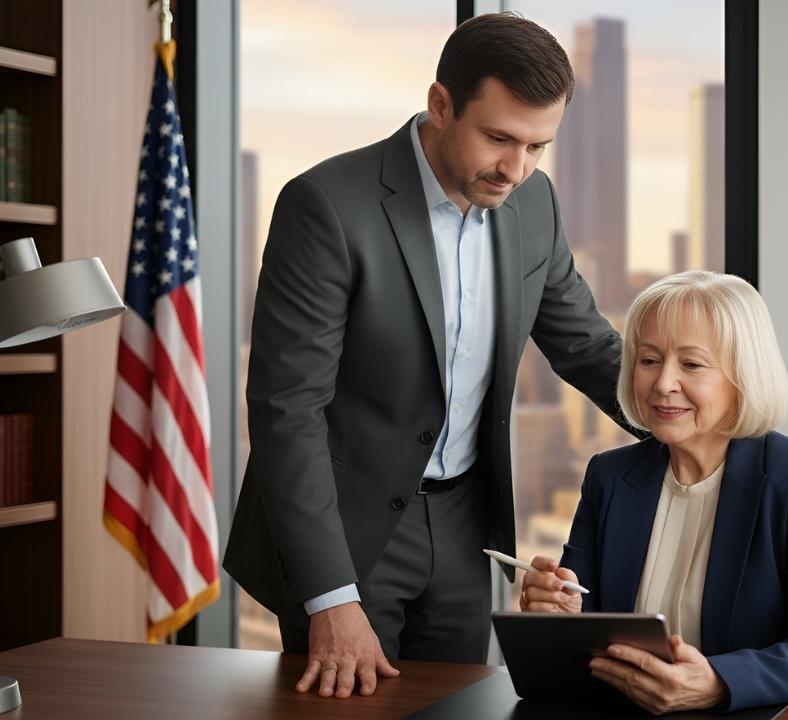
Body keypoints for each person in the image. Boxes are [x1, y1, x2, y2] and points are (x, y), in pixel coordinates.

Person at [224, 13, 627, 700]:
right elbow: (287, 410)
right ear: (440, 104)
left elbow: (585, 345)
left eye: (538, 146)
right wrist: (329, 598)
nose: (516, 168)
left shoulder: (533, 203)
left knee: (462, 707)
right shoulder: (326, 206)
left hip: (470, 523)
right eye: (499, 138)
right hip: (347, 527)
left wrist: (691, 416)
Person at [521, 271, 788, 713]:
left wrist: (720, 682)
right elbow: (585, 634)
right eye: (648, 360)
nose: (663, 383)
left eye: (692, 364)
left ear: (743, 374)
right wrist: (555, 616)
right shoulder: (609, 476)